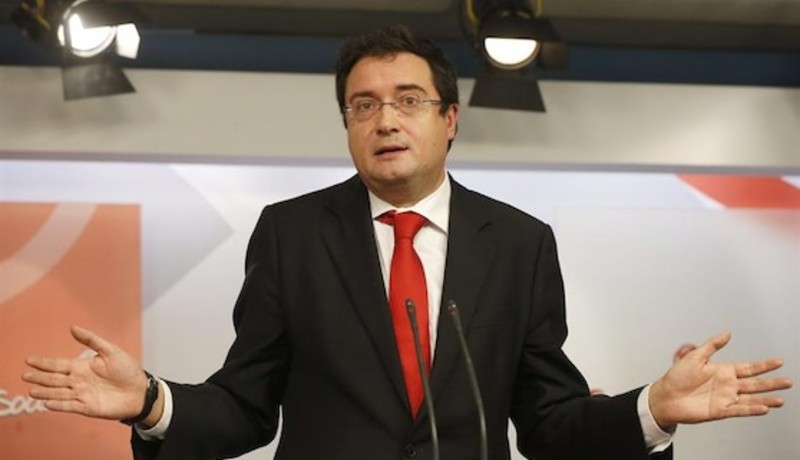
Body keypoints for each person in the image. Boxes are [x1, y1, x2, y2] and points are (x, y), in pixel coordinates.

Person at [22, 24, 792, 460]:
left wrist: (652, 410)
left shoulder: (519, 243)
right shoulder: (292, 234)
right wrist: (150, 402)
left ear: (449, 119)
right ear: (347, 126)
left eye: (408, 100)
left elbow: (548, 420)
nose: (385, 119)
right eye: (363, 106)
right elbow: (246, 405)